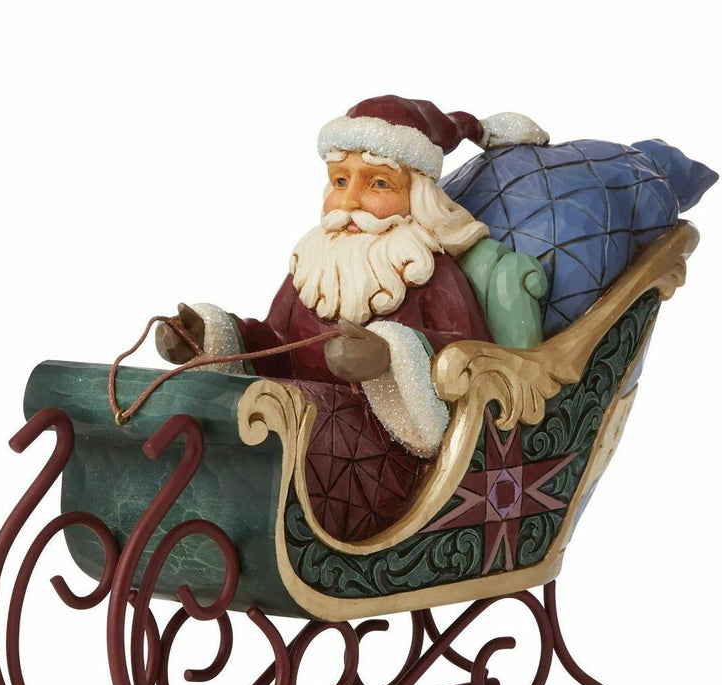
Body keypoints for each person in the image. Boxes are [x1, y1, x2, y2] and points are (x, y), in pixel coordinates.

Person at [156, 95, 548, 457]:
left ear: (417, 198)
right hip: (296, 428)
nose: (348, 202)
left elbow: (470, 355)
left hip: (383, 448)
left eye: (378, 183)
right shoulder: (314, 267)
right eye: (340, 181)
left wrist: (391, 355)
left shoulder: (430, 273)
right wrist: (210, 335)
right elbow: (274, 343)